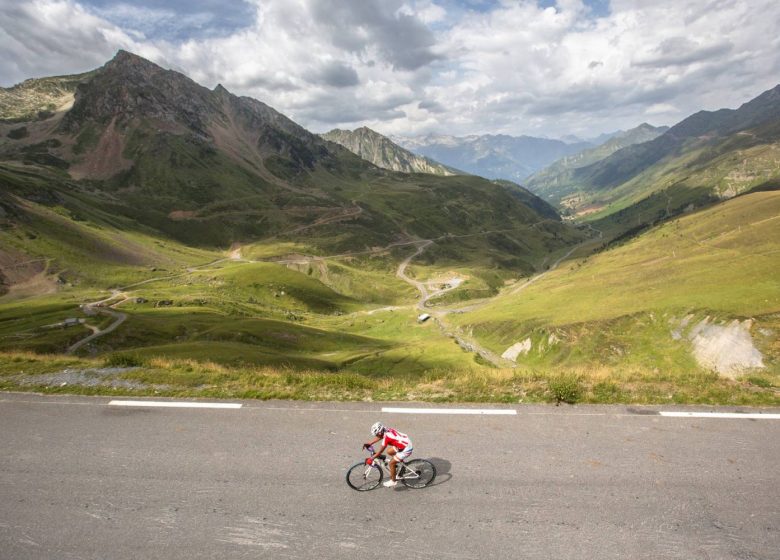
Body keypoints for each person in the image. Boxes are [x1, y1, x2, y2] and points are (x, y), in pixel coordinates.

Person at [363, 422, 413, 488]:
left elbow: (380, 452)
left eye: (376, 434)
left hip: (406, 449)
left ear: (380, 432)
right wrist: (370, 443)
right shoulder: (385, 430)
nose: (376, 436)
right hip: (404, 443)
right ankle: (402, 467)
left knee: (391, 464)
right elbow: (380, 437)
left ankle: (393, 481)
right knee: (389, 451)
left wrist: (371, 458)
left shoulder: (386, 438)